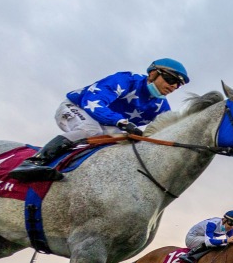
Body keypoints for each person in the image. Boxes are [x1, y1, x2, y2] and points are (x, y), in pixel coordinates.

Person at [10, 58, 190, 182]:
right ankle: (32, 163)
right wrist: (123, 122)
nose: (173, 86)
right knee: (91, 130)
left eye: (178, 84)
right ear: (152, 74)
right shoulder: (125, 80)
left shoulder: (161, 106)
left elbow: (167, 131)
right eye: (170, 79)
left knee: (128, 146)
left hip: (107, 123)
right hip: (77, 107)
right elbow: (93, 103)